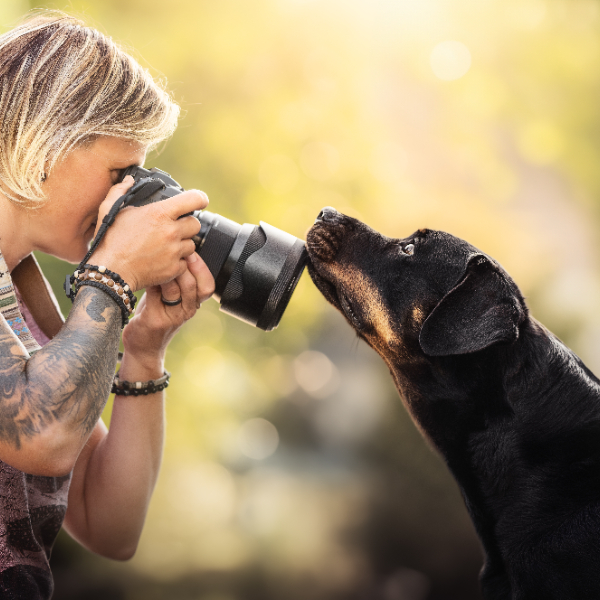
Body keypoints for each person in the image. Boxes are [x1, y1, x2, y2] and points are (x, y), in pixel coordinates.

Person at [0, 10, 215, 599]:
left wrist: (142, 351)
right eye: (121, 171)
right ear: (45, 144)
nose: (128, 196)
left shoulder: (16, 284)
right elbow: (39, 436)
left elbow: (108, 523)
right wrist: (113, 275)